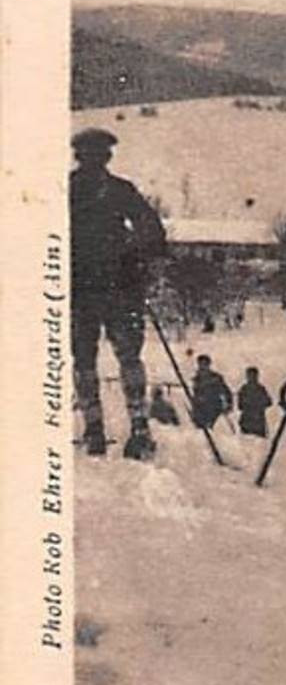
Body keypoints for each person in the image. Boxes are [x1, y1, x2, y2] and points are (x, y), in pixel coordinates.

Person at [69, 127, 168, 460]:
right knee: (125, 359)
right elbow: (153, 231)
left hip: (86, 290)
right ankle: (135, 428)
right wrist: (131, 251)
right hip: (113, 289)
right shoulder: (118, 190)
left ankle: (97, 430)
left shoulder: (66, 190)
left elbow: (152, 231)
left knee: (87, 359)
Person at [190, 355, 233, 431]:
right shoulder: (196, 379)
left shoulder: (216, 378)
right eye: (201, 364)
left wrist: (229, 404)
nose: (202, 367)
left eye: (205, 364)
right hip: (200, 410)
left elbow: (226, 391)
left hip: (213, 408)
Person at [237, 366, 272, 437]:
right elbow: (240, 405)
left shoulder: (260, 388)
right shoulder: (245, 389)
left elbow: (269, 402)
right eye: (250, 376)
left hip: (256, 420)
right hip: (250, 419)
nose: (251, 378)